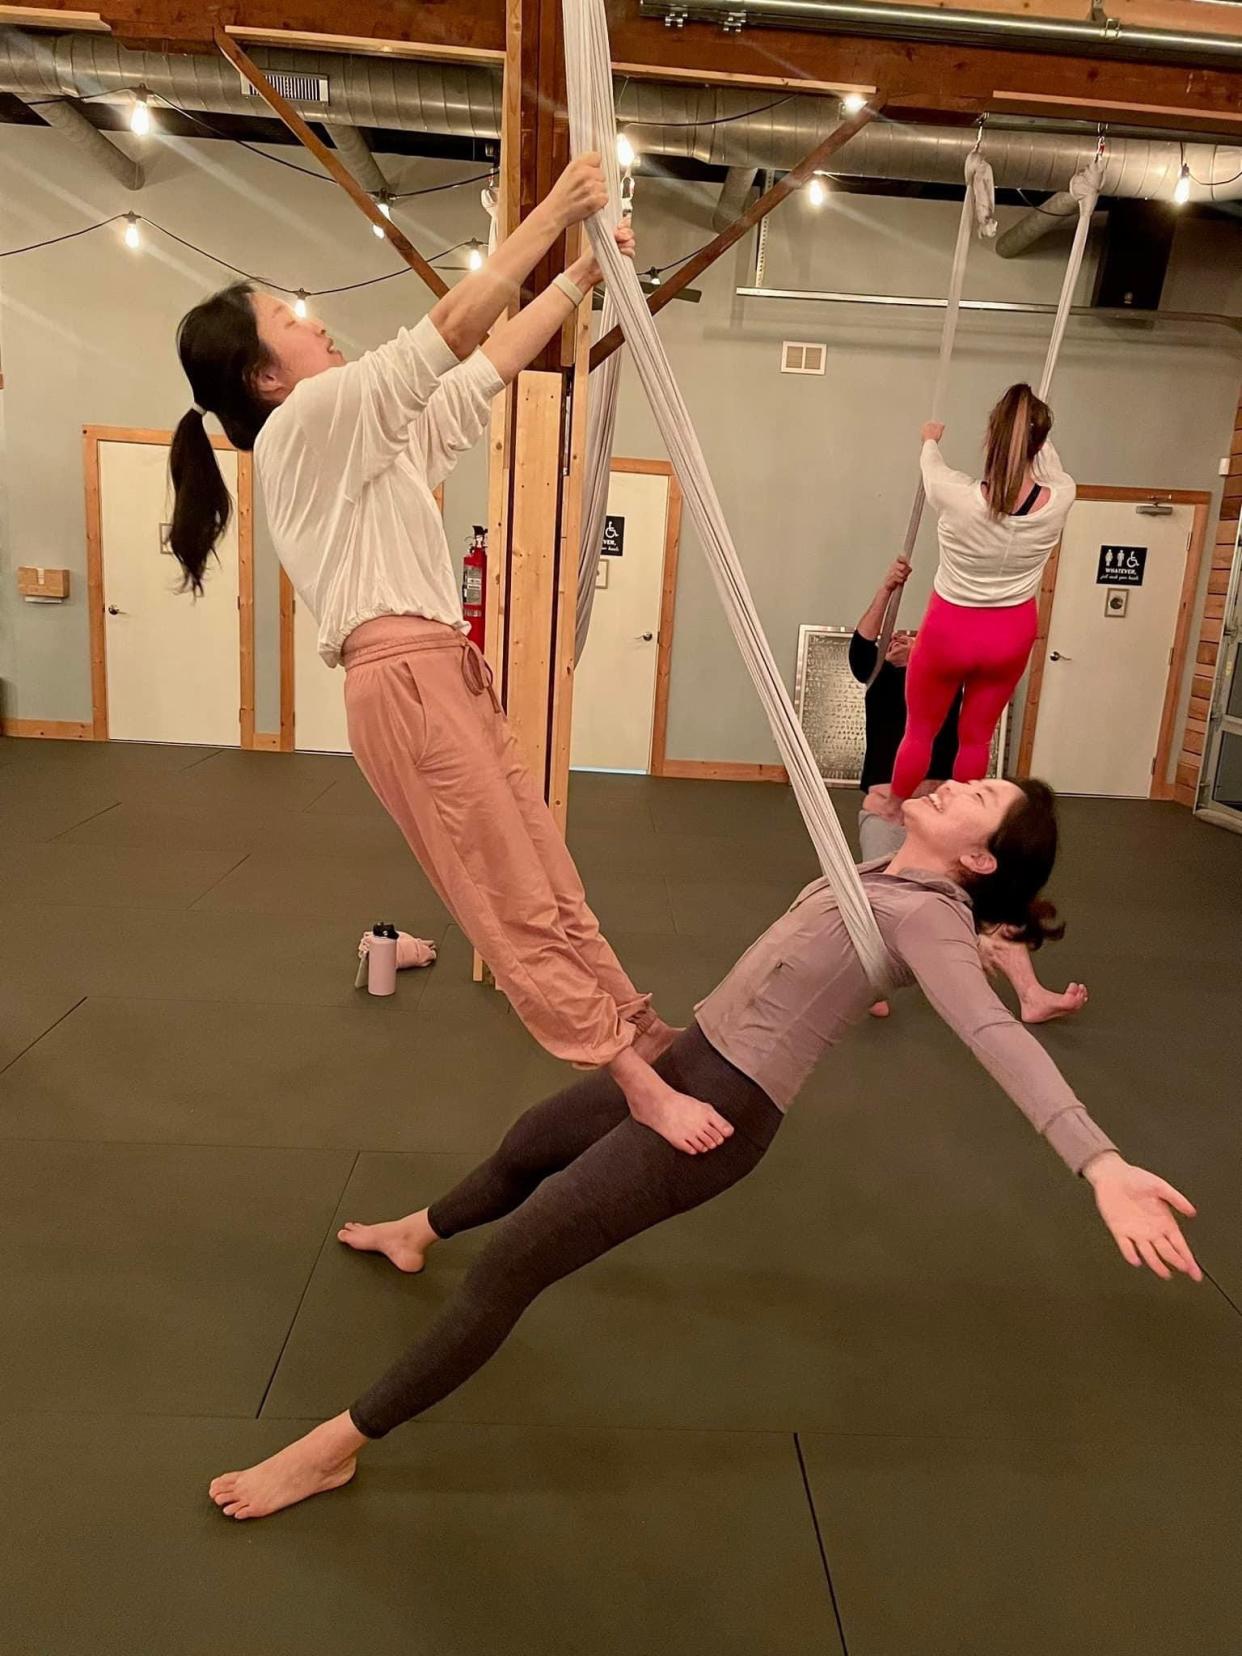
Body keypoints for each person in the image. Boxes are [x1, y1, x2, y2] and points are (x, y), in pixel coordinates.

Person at [208, 775, 1200, 1522]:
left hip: (720, 1113)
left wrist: (1100, 1163)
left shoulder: (930, 916)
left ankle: (335, 1447)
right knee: (527, 1144)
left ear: (981, 860)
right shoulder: (881, 872)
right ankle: (415, 1232)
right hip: (684, 1056)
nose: (960, 779)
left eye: (979, 794)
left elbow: (993, 1035)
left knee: (512, 1268)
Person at [169, 157, 730, 1158]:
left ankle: (640, 1028)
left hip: (442, 671)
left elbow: (479, 374)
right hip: (402, 682)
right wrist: (554, 213)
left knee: (549, 871)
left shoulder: (363, 441)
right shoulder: (303, 429)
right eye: (290, 319)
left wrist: (575, 284)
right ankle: (634, 1081)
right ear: (266, 376)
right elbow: (447, 333)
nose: (313, 320)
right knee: (505, 889)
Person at [853, 561, 1087, 1026]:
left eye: (910, 636)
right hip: (890, 813)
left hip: (949, 820)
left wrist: (928, 652)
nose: (900, 640)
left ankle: (1031, 994)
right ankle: (865, 986)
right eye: (895, 637)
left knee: (994, 900)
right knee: (870, 901)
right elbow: (862, 649)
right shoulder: (878, 679)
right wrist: (886, 587)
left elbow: (968, 657)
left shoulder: (947, 682)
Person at [887, 384, 1076, 806]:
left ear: (991, 438)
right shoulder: (1062, 496)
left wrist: (931, 438)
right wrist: (1036, 437)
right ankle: (960, 817)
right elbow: (1048, 464)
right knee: (975, 740)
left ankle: (895, 811)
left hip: (949, 630)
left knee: (920, 731)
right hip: (1010, 634)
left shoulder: (955, 494)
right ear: (1040, 442)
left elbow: (930, 465)